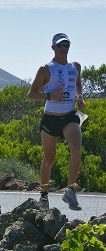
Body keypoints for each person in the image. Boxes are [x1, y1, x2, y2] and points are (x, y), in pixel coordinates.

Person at [28, 33, 85, 210]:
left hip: (69, 115)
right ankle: (43, 196)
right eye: (60, 45)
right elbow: (31, 94)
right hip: (51, 118)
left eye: (66, 45)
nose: (63, 48)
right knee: (49, 158)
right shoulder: (46, 69)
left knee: (76, 151)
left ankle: (70, 191)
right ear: (53, 47)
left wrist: (80, 97)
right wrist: (49, 95)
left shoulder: (75, 66)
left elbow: (77, 83)